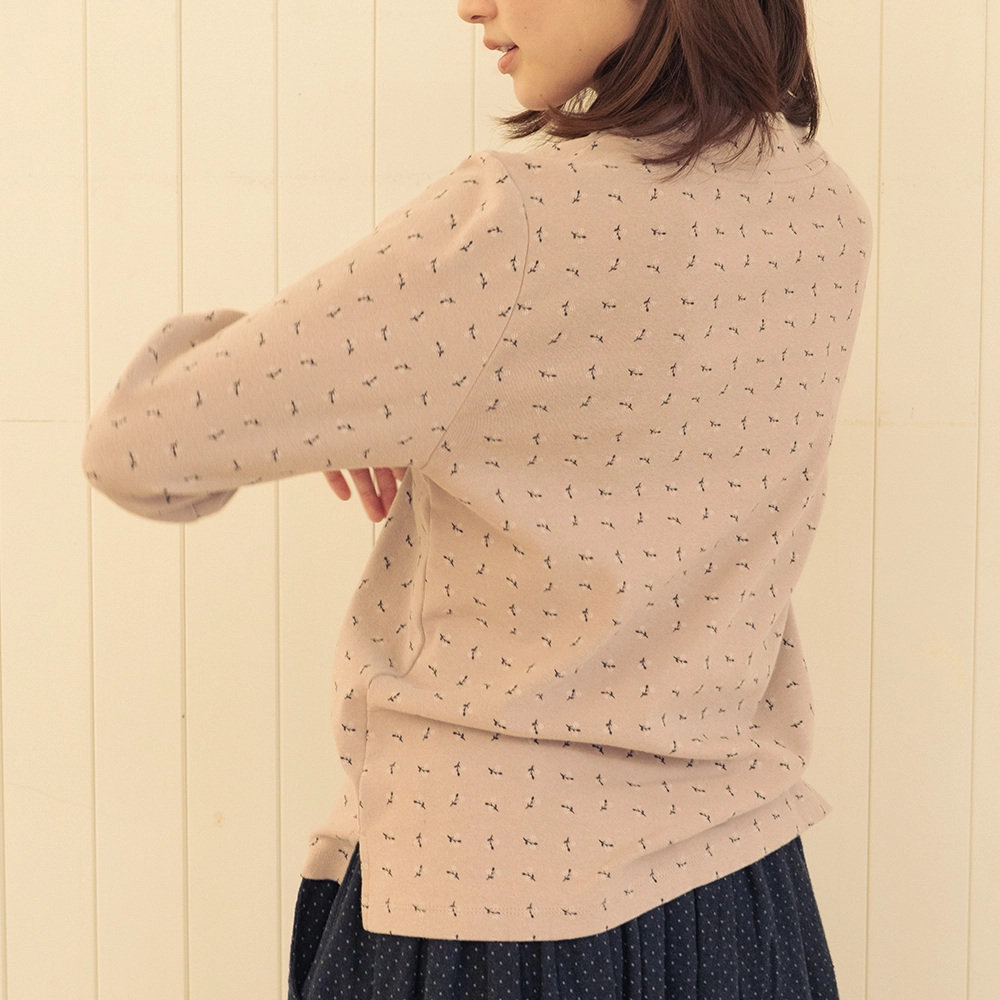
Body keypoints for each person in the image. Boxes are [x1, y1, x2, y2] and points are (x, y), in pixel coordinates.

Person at [81, 0, 873, 996]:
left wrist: (320, 378)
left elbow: (138, 444)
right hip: (746, 907)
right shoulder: (824, 208)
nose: (471, 4)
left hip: (491, 909)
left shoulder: (519, 220)